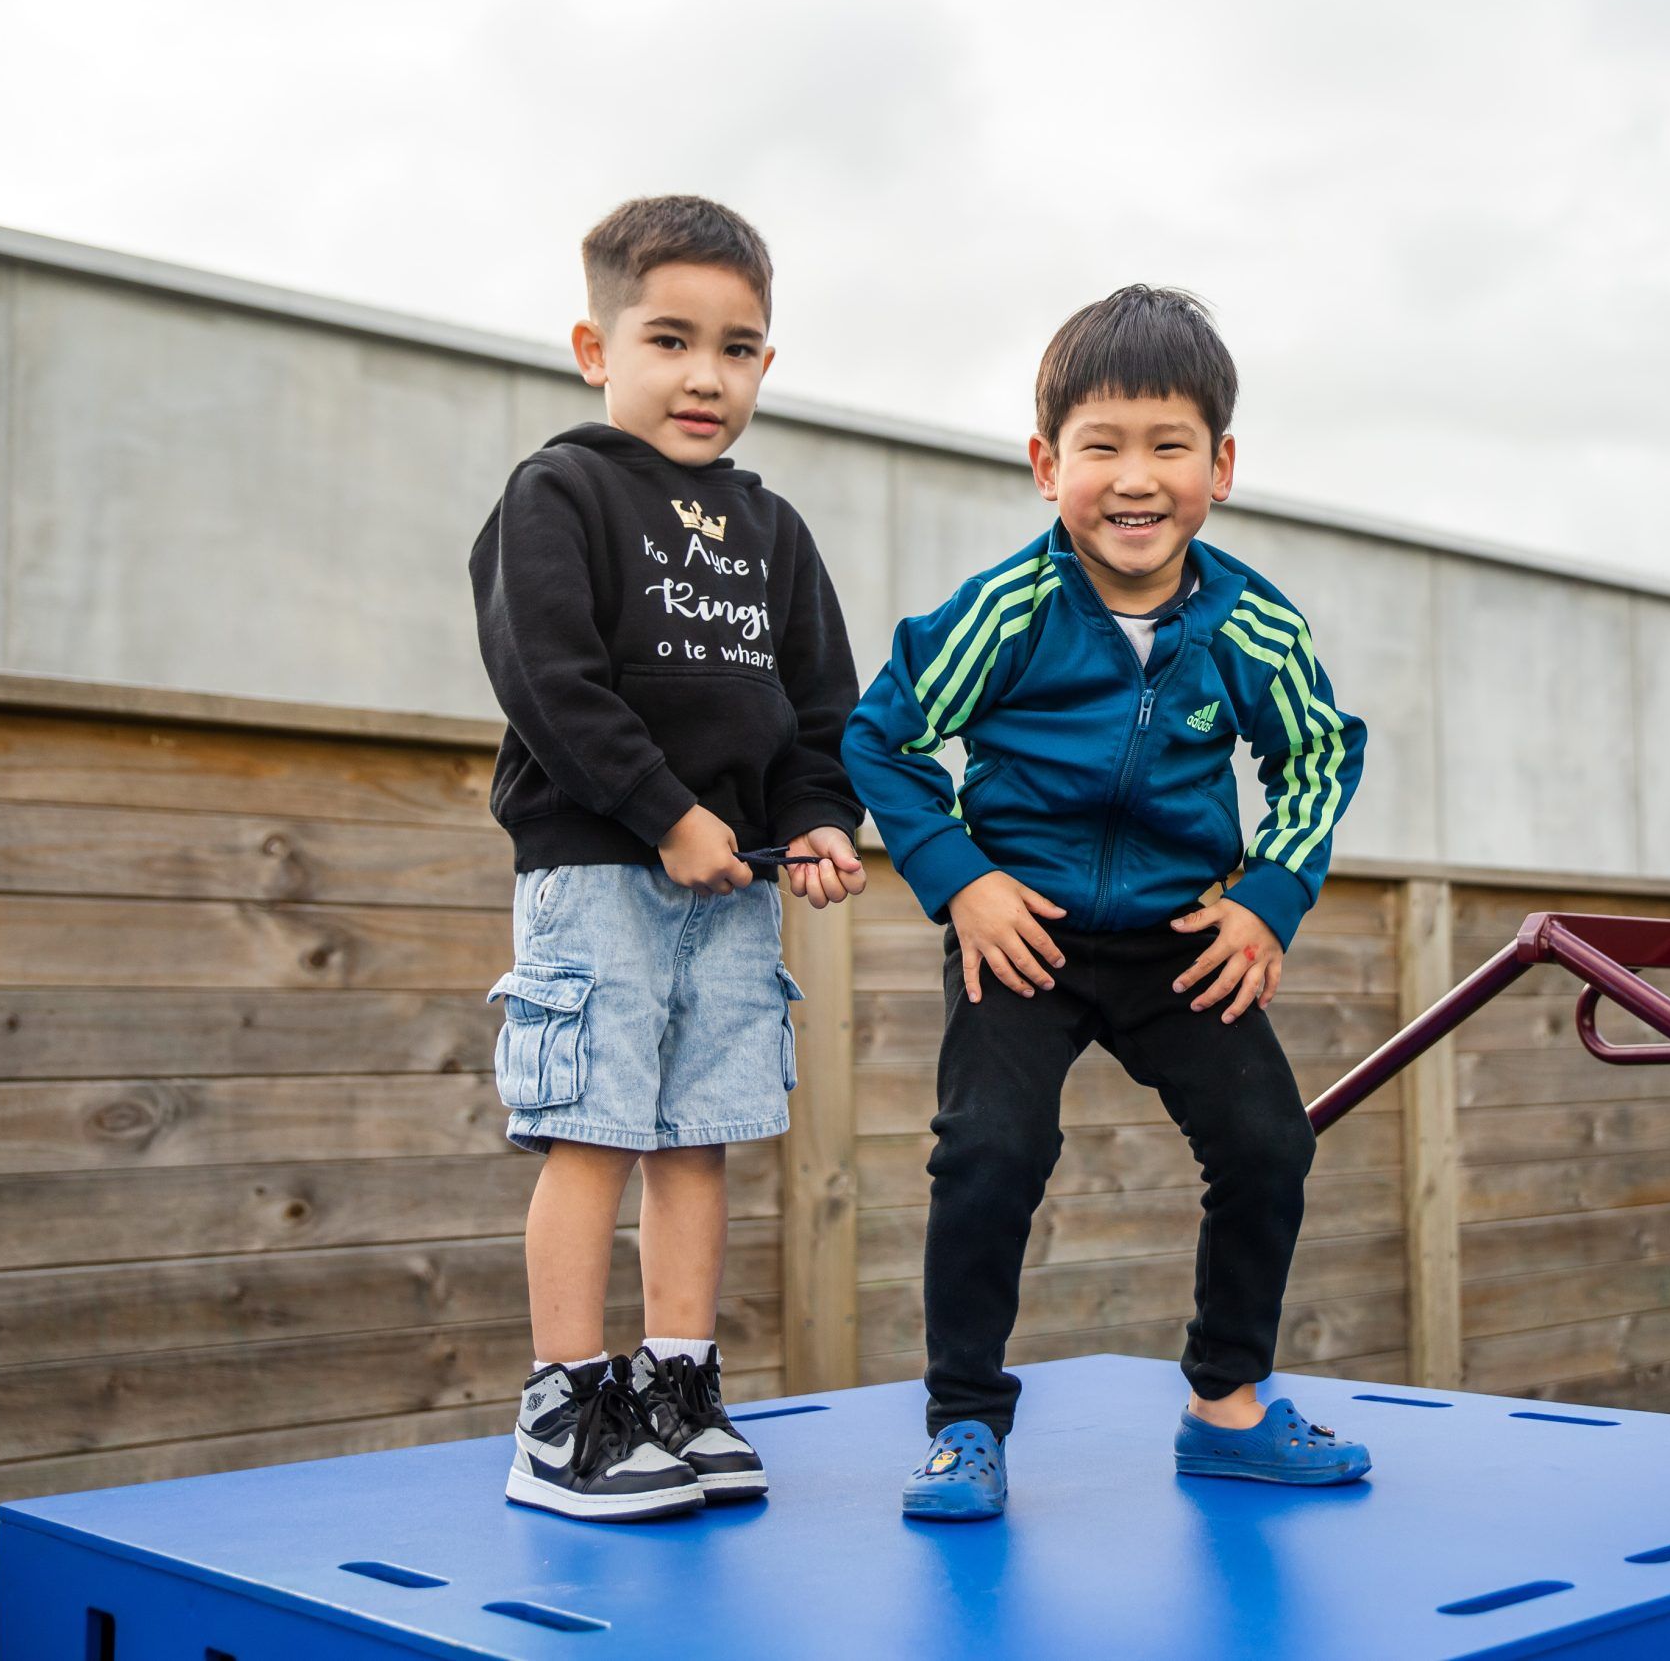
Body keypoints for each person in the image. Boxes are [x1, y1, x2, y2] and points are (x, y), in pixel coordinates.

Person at [842, 285, 1372, 1520]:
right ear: (1046, 465)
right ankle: (964, 1426)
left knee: (1267, 1144)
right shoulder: (1009, 610)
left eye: (1168, 445)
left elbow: (1319, 755)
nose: (1135, 480)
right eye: (1102, 446)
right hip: (1022, 935)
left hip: (1184, 937)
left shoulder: (1251, 624)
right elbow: (886, 736)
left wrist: (1269, 898)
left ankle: (1226, 1409)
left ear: (1221, 465)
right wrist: (962, 883)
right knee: (990, 1150)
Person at [469, 195, 867, 1521]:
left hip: (735, 885)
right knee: (591, 1130)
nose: (707, 373)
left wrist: (818, 819)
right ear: (597, 344)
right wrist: (663, 814)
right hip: (599, 870)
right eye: (672, 338)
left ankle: (676, 1389)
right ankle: (563, 1408)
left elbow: (821, 711)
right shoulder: (559, 490)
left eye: (740, 346)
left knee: (699, 1137)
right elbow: (552, 681)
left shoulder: (774, 528)